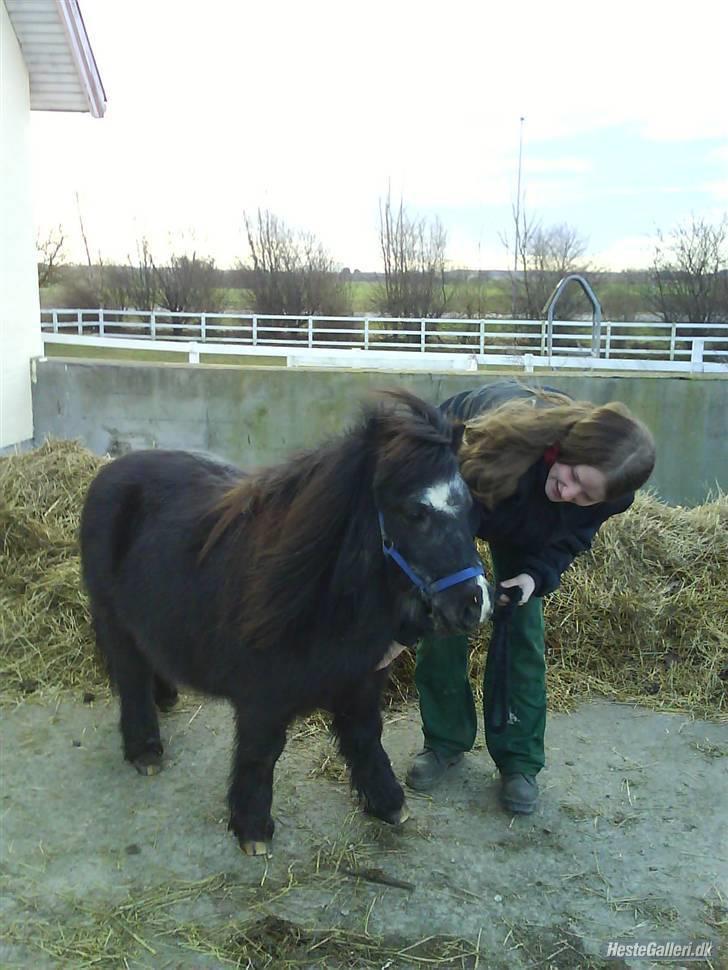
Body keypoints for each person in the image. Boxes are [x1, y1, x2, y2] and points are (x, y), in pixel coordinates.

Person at [405, 380, 656, 815]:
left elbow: (572, 536)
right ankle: (444, 740)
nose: (571, 493)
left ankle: (519, 761)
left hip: (525, 523)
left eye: (587, 495)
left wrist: (534, 578)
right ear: (562, 449)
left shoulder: (606, 496)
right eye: (574, 477)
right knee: (446, 617)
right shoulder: (496, 437)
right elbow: (437, 511)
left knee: (522, 629)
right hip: (473, 488)